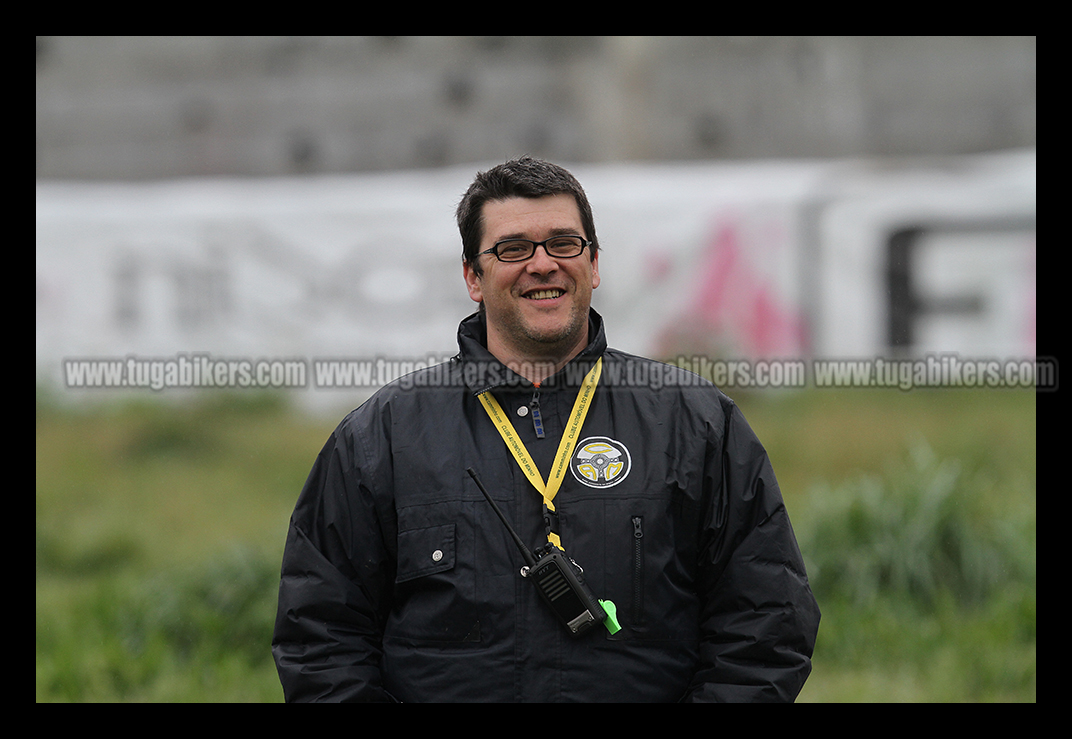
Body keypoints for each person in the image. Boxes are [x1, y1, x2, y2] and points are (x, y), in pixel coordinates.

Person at [272, 156, 820, 702]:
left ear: (595, 263)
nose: (543, 264)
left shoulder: (695, 422)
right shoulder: (382, 436)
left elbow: (765, 626)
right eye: (513, 249)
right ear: (472, 276)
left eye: (563, 243)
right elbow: (321, 640)